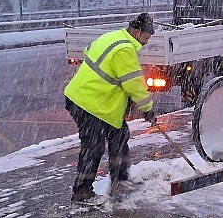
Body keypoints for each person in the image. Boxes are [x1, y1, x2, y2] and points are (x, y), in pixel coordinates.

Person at [64, 12, 157, 206]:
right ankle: (82, 192)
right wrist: (147, 109)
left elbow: (88, 52)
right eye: (146, 38)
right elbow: (134, 84)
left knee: (119, 136)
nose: (146, 42)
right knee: (94, 145)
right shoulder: (124, 49)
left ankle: (120, 182)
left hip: (97, 103)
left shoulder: (112, 36)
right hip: (87, 103)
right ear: (137, 32)